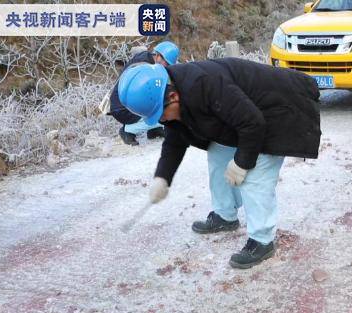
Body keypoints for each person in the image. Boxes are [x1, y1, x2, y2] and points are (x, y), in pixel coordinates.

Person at [117, 58, 321, 269]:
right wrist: (162, 177)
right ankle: (225, 214)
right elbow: (175, 140)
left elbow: (253, 123)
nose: (162, 121)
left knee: (254, 175)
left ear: (173, 96)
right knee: (218, 153)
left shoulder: (205, 85)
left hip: (280, 109)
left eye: (161, 114)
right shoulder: (175, 91)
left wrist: (242, 163)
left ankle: (262, 240)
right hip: (245, 116)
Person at [108, 41, 180, 146]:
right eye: (167, 63)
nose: (167, 66)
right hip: (122, 108)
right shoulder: (146, 67)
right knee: (163, 110)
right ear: (158, 56)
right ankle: (128, 130)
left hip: (125, 104)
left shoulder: (147, 60)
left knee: (160, 103)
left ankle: (154, 130)